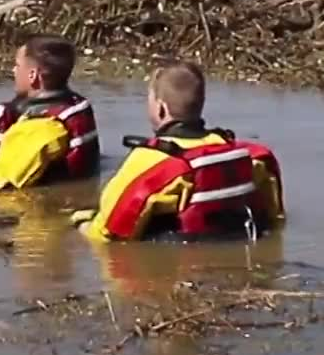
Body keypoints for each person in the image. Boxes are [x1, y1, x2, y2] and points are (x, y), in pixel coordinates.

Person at [73, 60, 285, 242]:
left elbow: (109, 232)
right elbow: (275, 218)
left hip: (179, 266)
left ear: (160, 108)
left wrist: (80, 224)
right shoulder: (245, 155)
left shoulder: (150, 162)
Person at [0, 35, 100, 189]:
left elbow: (2, 178)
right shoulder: (79, 107)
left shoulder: (34, 123)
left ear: (33, 75)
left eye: (17, 65)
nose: (13, 70)